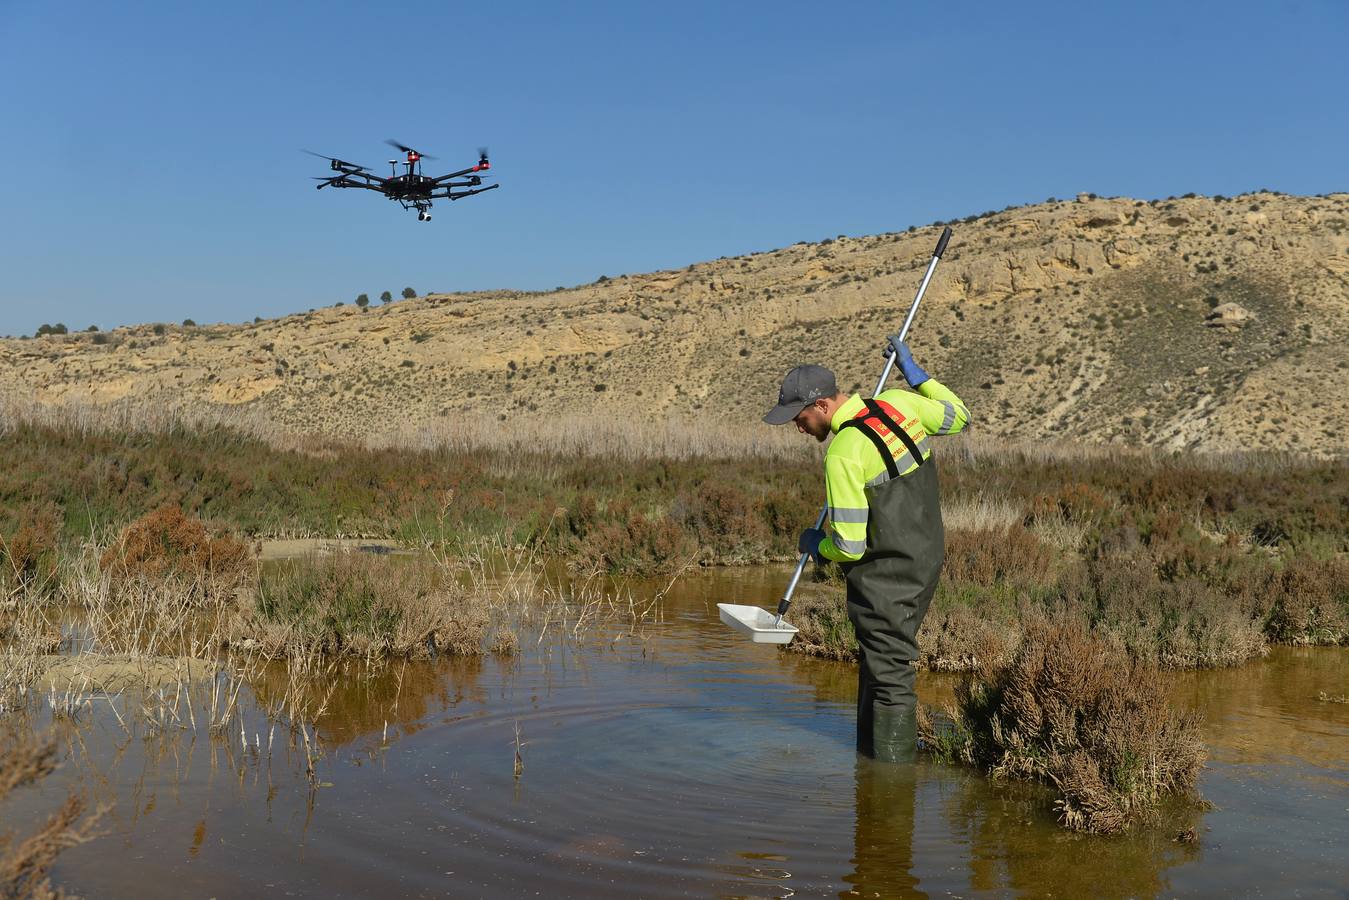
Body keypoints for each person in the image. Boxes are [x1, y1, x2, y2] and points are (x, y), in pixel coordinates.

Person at [763, 343, 969, 762]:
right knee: (878, 663)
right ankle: (866, 761)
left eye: (800, 418)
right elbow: (958, 416)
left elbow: (848, 545)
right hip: (925, 556)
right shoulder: (897, 405)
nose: (799, 428)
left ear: (821, 404)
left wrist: (814, 545)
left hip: (887, 576)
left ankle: (889, 789)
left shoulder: (842, 453)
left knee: (890, 675)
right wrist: (917, 375)